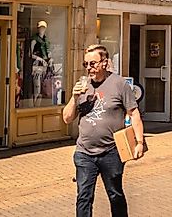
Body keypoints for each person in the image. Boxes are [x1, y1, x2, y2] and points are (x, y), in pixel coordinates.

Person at [62, 45, 145, 217]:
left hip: (111, 152)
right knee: (84, 197)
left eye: (93, 63)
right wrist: (74, 97)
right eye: (86, 64)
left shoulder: (119, 84)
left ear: (105, 63)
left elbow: (134, 113)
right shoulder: (82, 86)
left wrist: (139, 142)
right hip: (84, 152)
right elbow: (67, 118)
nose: (89, 68)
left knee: (115, 195)